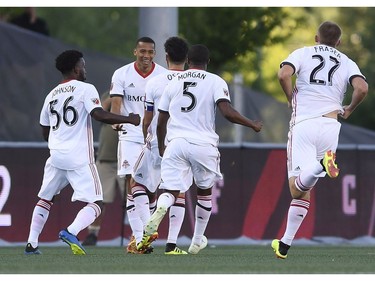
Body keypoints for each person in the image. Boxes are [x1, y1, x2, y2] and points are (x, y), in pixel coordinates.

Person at [137, 44, 263, 254]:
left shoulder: (174, 83)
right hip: (203, 144)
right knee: (204, 192)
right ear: (208, 62)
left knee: (170, 191)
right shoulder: (215, 81)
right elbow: (227, 112)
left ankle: (161, 207)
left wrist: (161, 146)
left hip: (175, 143)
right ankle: (196, 241)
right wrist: (252, 124)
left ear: (188, 61)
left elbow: (160, 122)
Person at [24, 49, 140, 255]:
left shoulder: (50, 95)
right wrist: (129, 119)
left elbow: (44, 130)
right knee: (96, 203)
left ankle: (31, 244)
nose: (85, 69)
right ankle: (71, 231)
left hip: (56, 155)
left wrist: (58, 143)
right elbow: (99, 115)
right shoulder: (86, 89)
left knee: (45, 199)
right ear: (76, 69)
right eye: (83, 66)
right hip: (78, 157)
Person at [272, 21, 368, 259]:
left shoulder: (303, 52)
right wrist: (351, 109)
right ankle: (284, 245)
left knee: (296, 189)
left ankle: (321, 165)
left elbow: (284, 74)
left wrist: (289, 97)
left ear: (316, 38)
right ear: (339, 42)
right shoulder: (346, 61)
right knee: (307, 189)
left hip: (304, 123)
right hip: (330, 125)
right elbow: (362, 88)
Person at [129, 36, 191, 255]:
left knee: (136, 183)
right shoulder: (197, 81)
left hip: (157, 141)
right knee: (179, 191)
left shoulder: (155, 82)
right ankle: (171, 244)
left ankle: (146, 231)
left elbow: (147, 118)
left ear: (166, 57)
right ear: (187, 58)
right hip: (184, 143)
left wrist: (147, 134)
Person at [109, 36, 166, 252]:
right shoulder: (121, 74)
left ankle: (137, 238)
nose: (146, 56)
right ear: (135, 52)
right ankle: (141, 237)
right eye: (142, 51)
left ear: (154, 54)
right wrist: (116, 124)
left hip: (154, 138)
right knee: (132, 182)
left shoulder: (163, 75)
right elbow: (116, 106)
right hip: (130, 136)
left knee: (151, 189)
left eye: (150, 52)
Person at [81, 91, 125, 246]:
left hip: (126, 160)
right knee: (99, 200)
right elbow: (100, 109)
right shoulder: (110, 95)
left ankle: (139, 235)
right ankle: (93, 233)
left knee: (134, 200)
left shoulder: (136, 95)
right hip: (106, 159)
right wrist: (115, 95)